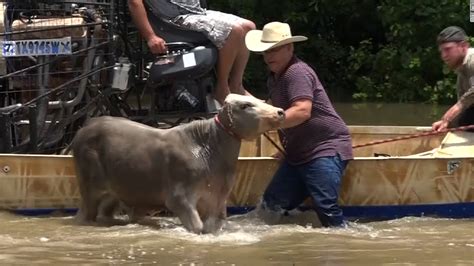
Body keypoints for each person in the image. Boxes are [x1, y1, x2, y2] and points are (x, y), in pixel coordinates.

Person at [245, 22, 353, 227]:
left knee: (327, 209)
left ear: (289, 48)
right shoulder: (275, 77)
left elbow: (302, 111)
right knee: (270, 207)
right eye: (265, 51)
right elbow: (272, 109)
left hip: (324, 148)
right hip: (297, 154)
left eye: (274, 49)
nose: (269, 56)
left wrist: (266, 124)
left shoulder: (296, 72)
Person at [128, 0, 255, 105]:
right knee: (234, 31)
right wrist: (151, 37)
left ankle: (236, 85)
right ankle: (222, 88)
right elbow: (134, 3)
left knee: (249, 27)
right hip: (174, 20)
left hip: (197, 13)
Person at [432, 26, 474, 131]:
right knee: (465, 118)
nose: (444, 56)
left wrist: (455, 109)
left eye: (447, 49)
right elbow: (464, 108)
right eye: (441, 51)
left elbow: (462, 103)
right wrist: (446, 123)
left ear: (464, 46)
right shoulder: (461, 71)